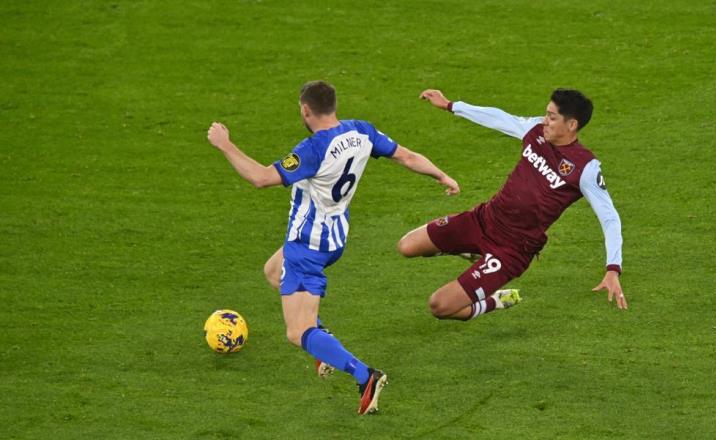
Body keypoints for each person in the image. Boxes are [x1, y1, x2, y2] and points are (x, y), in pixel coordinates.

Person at [206, 80, 459, 415]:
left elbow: (261, 178)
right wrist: (442, 176)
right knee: (272, 271)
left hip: (307, 244)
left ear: (306, 109)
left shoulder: (313, 149)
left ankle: (365, 375)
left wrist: (225, 144)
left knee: (297, 333)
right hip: (334, 236)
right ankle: (323, 342)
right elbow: (406, 156)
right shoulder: (361, 132)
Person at [397, 88, 626, 322]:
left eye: (552, 117)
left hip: (511, 249)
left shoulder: (585, 168)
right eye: (546, 114)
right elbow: (499, 118)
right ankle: (469, 249)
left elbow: (609, 217)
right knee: (406, 246)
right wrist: (450, 105)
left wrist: (612, 268)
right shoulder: (536, 131)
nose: (545, 121)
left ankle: (495, 301)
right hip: (484, 219)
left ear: (571, 125)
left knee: (440, 305)